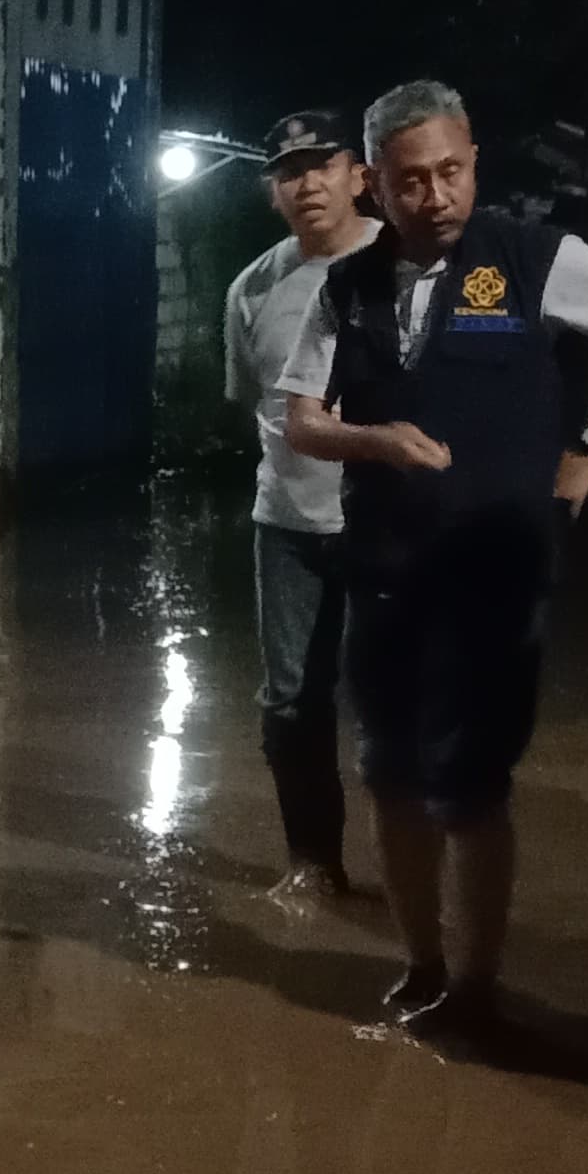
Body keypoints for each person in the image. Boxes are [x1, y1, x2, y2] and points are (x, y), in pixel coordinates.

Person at [281, 80, 588, 1037]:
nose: (435, 196)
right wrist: (377, 442)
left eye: (451, 173)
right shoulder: (347, 289)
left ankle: (476, 986)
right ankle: (421, 966)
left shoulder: (528, 258)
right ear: (373, 186)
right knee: (387, 772)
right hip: (386, 567)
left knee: (472, 783)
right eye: (411, 180)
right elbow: (302, 421)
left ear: (474, 163)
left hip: (498, 572)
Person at [219, 108, 381, 901]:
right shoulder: (252, 288)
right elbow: (250, 403)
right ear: (271, 191)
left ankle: (426, 878)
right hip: (285, 526)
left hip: (392, 523)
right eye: (289, 170)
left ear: (360, 175)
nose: (308, 182)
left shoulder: (409, 266)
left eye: (324, 163)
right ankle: (314, 862)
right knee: (290, 703)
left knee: (399, 698)